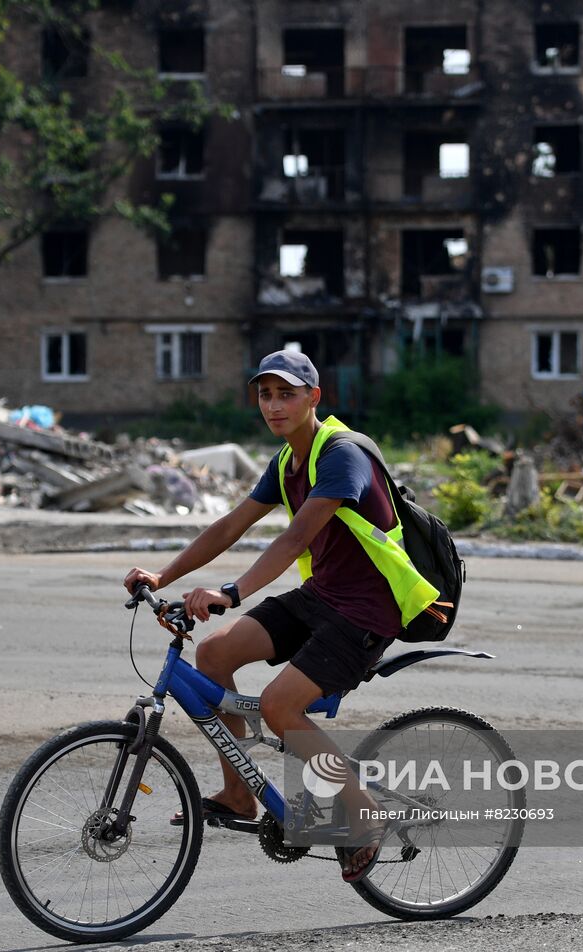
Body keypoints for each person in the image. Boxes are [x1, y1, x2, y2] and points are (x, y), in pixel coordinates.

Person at [123, 349, 406, 881]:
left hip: (368, 610)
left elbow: (296, 536)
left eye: (287, 394)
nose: (273, 406)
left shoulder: (341, 454)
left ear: (313, 398)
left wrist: (232, 591)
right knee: (214, 652)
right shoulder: (286, 461)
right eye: (265, 394)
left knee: (279, 707)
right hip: (323, 596)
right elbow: (231, 525)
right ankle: (238, 794)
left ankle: (364, 810)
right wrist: (164, 577)